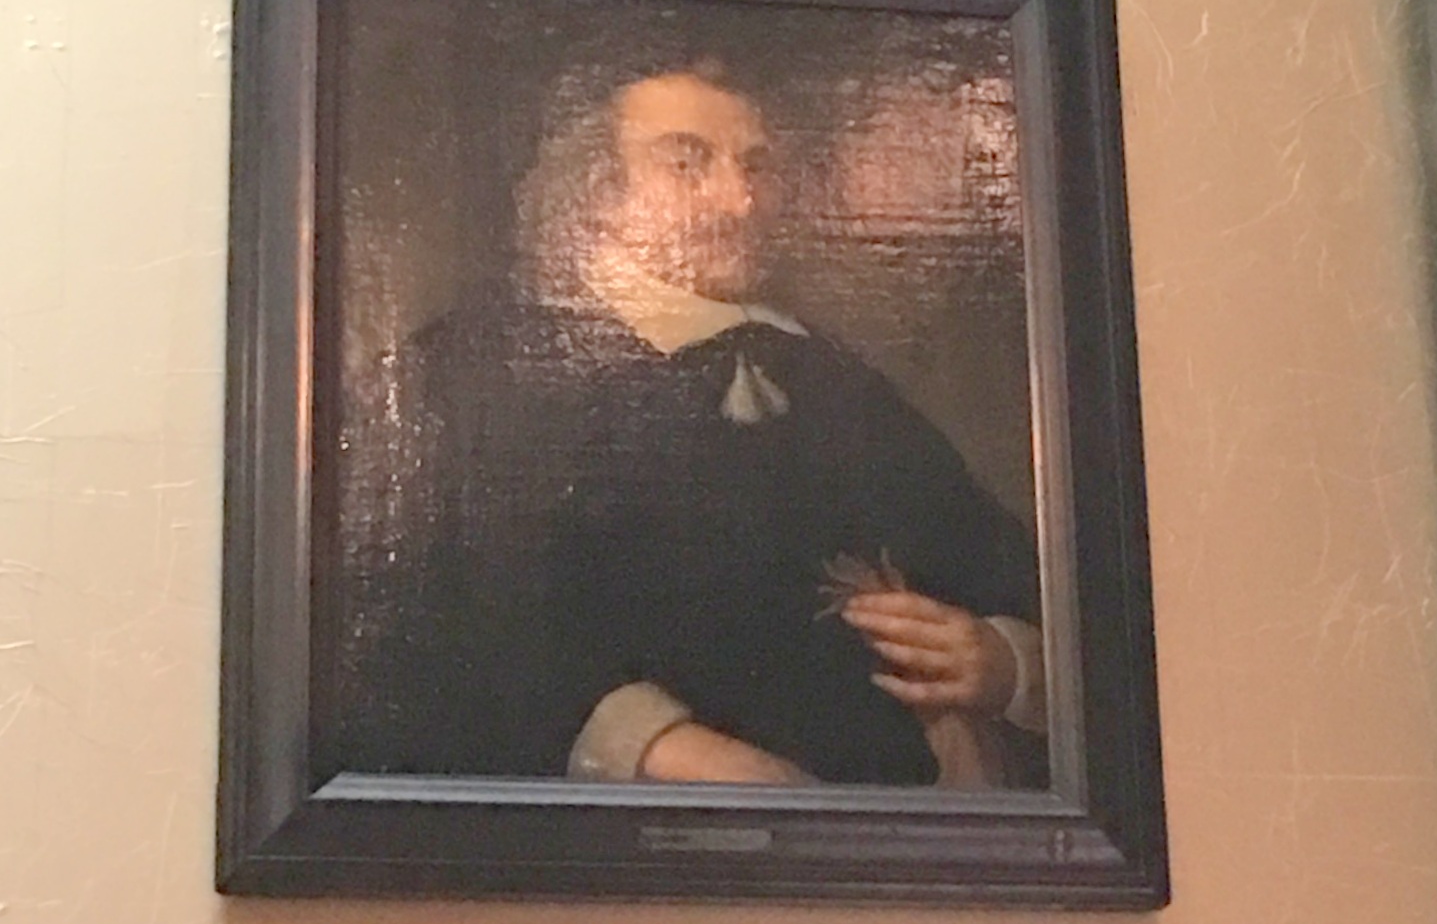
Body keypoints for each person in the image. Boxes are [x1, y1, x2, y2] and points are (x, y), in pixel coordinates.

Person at [336, 50, 1047, 789]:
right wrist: (649, 745)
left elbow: (1003, 569)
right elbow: (409, 637)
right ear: (597, 195)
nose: (741, 202)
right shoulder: (464, 373)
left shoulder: (834, 380)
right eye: (687, 164)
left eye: (756, 167)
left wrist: (1005, 663)